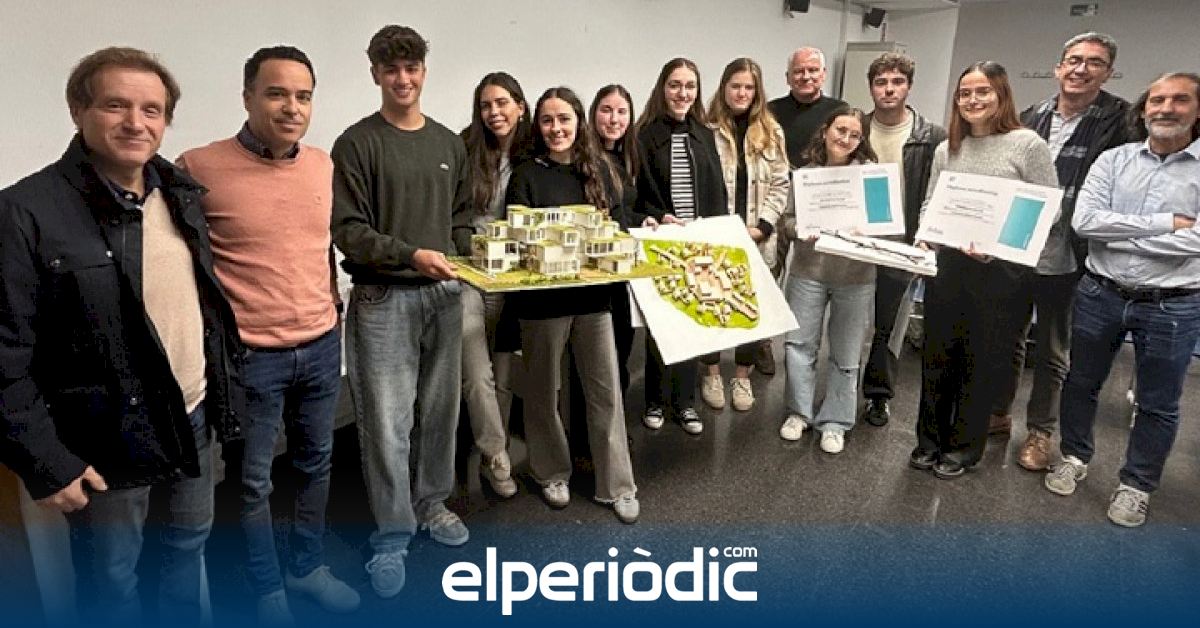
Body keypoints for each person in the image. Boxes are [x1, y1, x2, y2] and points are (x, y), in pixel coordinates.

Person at [0, 47, 242, 625]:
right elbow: (5, 354)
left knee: (185, 555)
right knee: (113, 583)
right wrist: (46, 461)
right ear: (78, 111)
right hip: (106, 439)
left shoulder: (179, 193)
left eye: (151, 110)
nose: (136, 122)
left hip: (191, 418)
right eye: (116, 106)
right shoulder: (24, 212)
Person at [176, 46, 358, 623]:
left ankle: (306, 568)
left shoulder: (322, 165)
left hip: (321, 344)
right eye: (276, 93)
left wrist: (331, 311)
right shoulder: (198, 167)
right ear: (248, 97)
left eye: (303, 96)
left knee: (316, 465)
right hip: (251, 356)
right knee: (252, 483)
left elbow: (321, 248)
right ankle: (266, 588)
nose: (291, 107)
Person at [330, 25, 468, 598]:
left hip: (446, 296)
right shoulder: (356, 144)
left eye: (411, 68)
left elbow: (461, 216)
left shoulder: (448, 144)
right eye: (391, 70)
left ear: (424, 72)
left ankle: (432, 503)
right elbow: (348, 230)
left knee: (440, 412)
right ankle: (391, 535)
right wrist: (411, 255)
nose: (403, 79)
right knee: (387, 423)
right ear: (376, 75)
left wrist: (468, 257)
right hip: (383, 298)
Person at [1044, 72, 1200, 527]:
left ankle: (1137, 484)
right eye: (1157, 100)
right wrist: (1166, 224)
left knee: (1158, 401)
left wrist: (1121, 230)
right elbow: (1086, 222)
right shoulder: (1113, 160)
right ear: (1144, 108)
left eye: (1179, 100)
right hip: (1101, 291)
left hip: (1172, 302)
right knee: (1080, 382)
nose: (1165, 108)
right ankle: (1074, 456)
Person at [989, 32, 1131, 471]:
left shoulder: (1122, 122)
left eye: (1093, 62)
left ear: (1108, 72)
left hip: (1068, 252)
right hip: (1016, 245)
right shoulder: (1030, 117)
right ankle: (998, 413)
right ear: (1058, 68)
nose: (1080, 69)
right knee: (1007, 337)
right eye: (1073, 60)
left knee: (1052, 348)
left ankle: (1040, 431)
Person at [911, 61, 1058, 479]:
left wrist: (995, 248)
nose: (972, 100)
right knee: (937, 357)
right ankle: (929, 441)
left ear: (1001, 95)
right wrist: (925, 234)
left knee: (978, 362)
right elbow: (932, 201)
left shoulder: (1026, 145)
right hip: (948, 265)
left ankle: (962, 447)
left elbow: (1047, 209)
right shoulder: (948, 148)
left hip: (999, 272)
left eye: (982, 91)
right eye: (965, 93)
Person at [505, 86, 640, 523]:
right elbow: (518, 240)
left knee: (605, 393)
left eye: (564, 119)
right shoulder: (526, 175)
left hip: (594, 301)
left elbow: (619, 228)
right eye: (547, 120)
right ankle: (550, 472)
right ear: (537, 126)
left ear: (579, 122)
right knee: (542, 394)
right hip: (541, 305)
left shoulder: (599, 170)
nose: (556, 128)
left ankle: (618, 484)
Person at [634, 58, 729, 435]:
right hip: (661, 240)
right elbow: (637, 194)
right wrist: (659, 216)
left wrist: (718, 235)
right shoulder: (643, 135)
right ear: (662, 88)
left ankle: (685, 403)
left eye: (690, 86)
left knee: (693, 321)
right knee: (660, 325)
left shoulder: (704, 134)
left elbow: (717, 190)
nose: (682, 93)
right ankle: (655, 401)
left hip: (698, 243)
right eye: (675, 85)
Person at [777, 107, 876, 455]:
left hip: (856, 276)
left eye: (854, 135)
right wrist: (800, 229)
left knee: (846, 352)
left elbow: (888, 225)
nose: (845, 139)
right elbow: (787, 221)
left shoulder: (871, 178)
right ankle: (798, 413)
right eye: (840, 130)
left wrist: (869, 230)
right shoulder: (806, 176)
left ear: (861, 140)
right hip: (809, 272)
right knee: (798, 345)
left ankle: (836, 421)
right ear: (825, 131)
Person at [451, 72, 531, 498]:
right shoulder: (463, 149)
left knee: (503, 372)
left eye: (502, 103)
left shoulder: (534, 153)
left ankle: (488, 455)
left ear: (520, 106)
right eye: (486, 105)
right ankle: (497, 454)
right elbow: (454, 215)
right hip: (471, 274)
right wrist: (474, 252)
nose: (494, 112)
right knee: (476, 371)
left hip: (515, 280)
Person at [860, 52, 946, 428]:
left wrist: (926, 238)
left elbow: (938, 192)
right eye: (881, 82)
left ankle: (878, 395)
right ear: (871, 87)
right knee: (849, 321)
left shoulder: (931, 137)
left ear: (909, 86)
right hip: (856, 240)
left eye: (897, 82)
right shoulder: (854, 127)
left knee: (889, 324)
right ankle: (840, 387)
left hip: (901, 243)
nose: (889, 89)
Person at [699, 57, 790, 412]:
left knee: (752, 309)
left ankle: (741, 376)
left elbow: (781, 184)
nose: (741, 93)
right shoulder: (705, 129)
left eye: (749, 87)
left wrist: (763, 226)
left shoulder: (771, 131)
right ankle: (711, 373)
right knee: (711, 304)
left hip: (756, 235)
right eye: (735, 86)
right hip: (716, 235)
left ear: (757, 92)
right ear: (724, 87)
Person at [589, 84, 639, 393]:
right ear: (593, 113)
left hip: (624, 266)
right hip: (599, 269)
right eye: (606, 110)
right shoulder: (587, 159)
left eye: (621, 112)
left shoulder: (627, 157)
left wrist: (648, 220)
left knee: (622, 344)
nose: (614, 119)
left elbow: (628, 211)